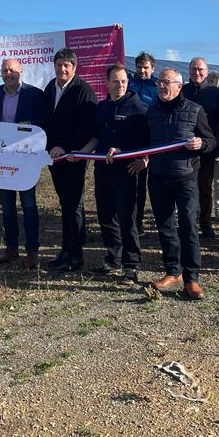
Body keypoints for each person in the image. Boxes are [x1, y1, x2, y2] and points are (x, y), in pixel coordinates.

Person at [139, 67, 216, 299]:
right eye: (159, 82)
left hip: (185, 179)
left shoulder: (195, 110)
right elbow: (144, 143)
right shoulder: (151, 112)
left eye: (167, 82)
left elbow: (212, 141)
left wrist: (201, 143)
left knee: (188, 227)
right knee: (165, 227)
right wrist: (141, 158)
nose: (161, 85)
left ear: (179, 86)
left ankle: (191, 278)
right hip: (158, 177)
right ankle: (173, 271)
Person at [71, 64, 149, 281]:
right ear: (107, 83)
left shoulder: (139, 108)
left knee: (127, 218)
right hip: (103, 170)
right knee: (106, 216)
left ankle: (131, 264)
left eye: (123, 81)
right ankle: (113, 257)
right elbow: (96, 137)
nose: (120, 85)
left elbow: (148, 142)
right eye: (115, 81)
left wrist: (142, 159)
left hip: (127, 171)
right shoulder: (102, 107)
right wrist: (81, 153)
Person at [42, 48, 98, 272]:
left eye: (67, 65)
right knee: (65, 203)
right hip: (54, 158)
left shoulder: (84, 90)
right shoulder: (50, 88)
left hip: (74, 156)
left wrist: (64, 147)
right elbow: (47, 120)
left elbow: (86, 128)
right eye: (59, 64)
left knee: (74, 204)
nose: (62, 69)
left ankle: (76, 255)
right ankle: (66, 250)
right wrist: (49, 147)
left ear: (75, 68)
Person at [0, 58, 45, 269]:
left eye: (12, 69)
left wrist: (28, 127)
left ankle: (31, 250)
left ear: (21, 71)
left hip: (26, 159)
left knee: (29, 205)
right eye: (5, 70)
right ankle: (10, 248)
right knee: (6, 206)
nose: (8, 73)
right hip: (1, 159)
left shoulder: (35, 94)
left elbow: (42, 124)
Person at [182, 57, 219, 238]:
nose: (197, 73)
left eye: (200, 70)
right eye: (193, 69)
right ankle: (188, 222)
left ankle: (205, 223)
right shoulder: (182, 90)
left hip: (207, 148)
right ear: (189, 70)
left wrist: (217, 146)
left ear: (206, 72)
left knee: (205, 188)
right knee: (186, 188)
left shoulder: (215, 93)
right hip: (184, 148)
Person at [127, 51, 158, 237]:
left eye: (146, 67)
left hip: (147, 141)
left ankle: (138, 224)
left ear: (152, 68)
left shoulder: (156, 86)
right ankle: (125, 221)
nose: (142, 70)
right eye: (139, 67)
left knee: (140, 186)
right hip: (127, 139)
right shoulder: (129, 83)